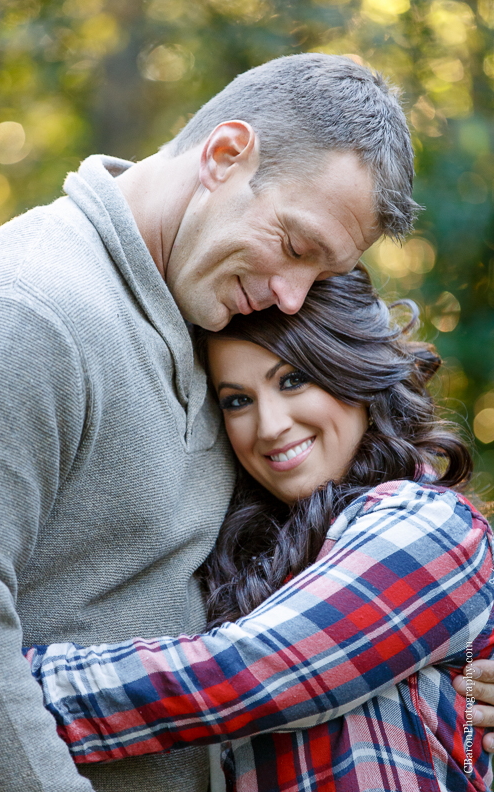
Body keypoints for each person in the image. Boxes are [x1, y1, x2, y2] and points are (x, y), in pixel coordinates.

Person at [25, 267, 494, 791]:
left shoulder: (432, 525)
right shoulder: (253, 558)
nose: (269, 426)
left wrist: (10, 687)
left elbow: (246, 674)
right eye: (237, 401)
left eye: (292, 379)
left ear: (352, 368)